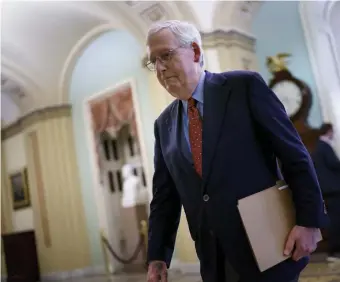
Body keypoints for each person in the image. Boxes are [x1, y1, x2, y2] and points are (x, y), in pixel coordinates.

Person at [145, 20, 328, 282]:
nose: (160, 68)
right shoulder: (163, 124)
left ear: (195, 52)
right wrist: (157, 256)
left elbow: (294, 155)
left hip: (269, 245)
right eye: (153, 61)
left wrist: (309, 221)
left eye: (166, 55)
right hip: (213, 258)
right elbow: (165, 197)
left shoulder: (243, 87)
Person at [312, 123, 340, 262]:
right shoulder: (325, 146)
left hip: (326, 190)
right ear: (329, 131)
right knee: (336, 220)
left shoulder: (318, 147)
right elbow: (335, 164)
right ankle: (334, 251)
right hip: (333, 190)